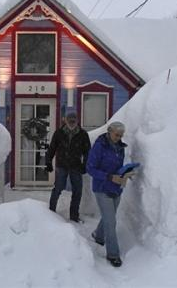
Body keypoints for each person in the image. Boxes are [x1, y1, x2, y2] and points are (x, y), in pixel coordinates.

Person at [86, 121, 134, 267]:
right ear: (109, 131)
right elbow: (90, 168)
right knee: (111, 221)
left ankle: (98, 235)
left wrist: (125, 173)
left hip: (116, 187)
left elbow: (118, 167)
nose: (119, 138)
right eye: (116, 135)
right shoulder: (99, 146)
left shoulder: (120, 147)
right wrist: (109, 176)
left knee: (109, 217)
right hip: (102, 187)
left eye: (121, 136)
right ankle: (113, 254)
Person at [45, 111, 91, 223]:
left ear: (77, 121)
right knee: (58, 188)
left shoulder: (83, 134)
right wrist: (48, 162)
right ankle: (50, 212)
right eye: (69, 120)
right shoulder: (59, 133)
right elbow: (52, 148)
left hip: (76, 166)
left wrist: (85, 165)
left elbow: (87, 152)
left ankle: (74, 216)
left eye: (74, 120)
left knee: (77, 191)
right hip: (62, 165)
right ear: (65, 120)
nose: (71, 122)